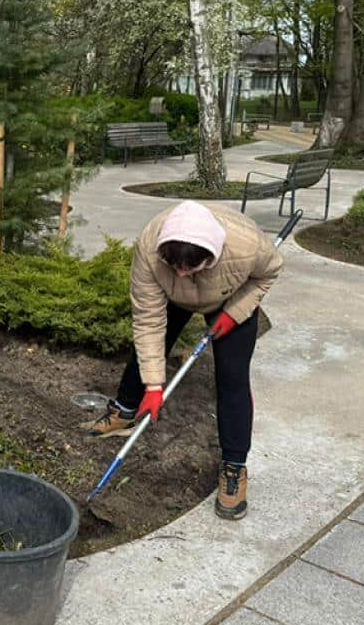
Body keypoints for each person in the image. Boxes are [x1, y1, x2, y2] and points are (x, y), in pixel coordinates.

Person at [87, 200, 283, 521]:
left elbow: (269, 273)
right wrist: (154, 386)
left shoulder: (248, 246)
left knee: (232, 379)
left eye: (188, 266)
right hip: (175, 296)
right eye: (173, 264)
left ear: (210, 255)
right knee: (149, 346)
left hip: (229, 298)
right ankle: (125, 410)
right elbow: (148, 319)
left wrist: (234, 314)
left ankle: (234, 467)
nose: (179, 271)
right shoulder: (151, 250)